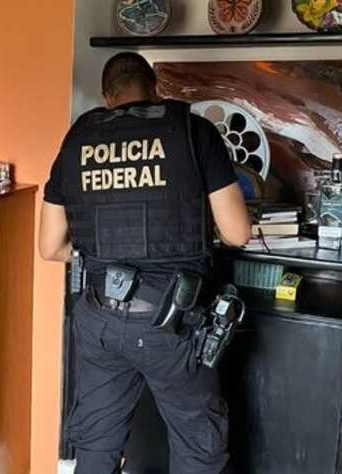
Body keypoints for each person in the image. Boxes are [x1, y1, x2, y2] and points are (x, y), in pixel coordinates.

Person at [39, 52, 251, 474]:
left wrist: (101, 254)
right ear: (154, 89)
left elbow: (50, 247)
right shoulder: (193, 131)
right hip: (170, 322)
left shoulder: (77, 138)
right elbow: (237, 233)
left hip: (99, 317)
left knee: (96, 445)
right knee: (198, 447)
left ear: (107, 97)